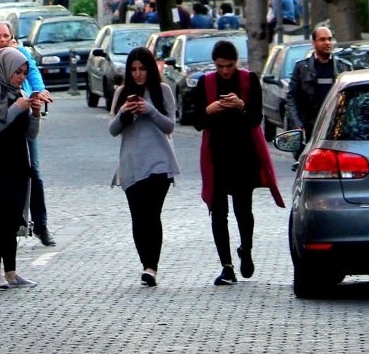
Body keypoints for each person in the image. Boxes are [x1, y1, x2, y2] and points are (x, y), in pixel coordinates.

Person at [189, 40, 283, 285]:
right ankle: (226, 265)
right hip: (216, 156)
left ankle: (246, 250)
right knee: (218, 213)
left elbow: (255, 119)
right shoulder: (205, 83)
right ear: (214, 64)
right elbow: (197, 120)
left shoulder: (249, 80)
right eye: (220, 66)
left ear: (236, 62)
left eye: (229, 66)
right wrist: (210, 109)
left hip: (244, 155)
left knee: (244, 210)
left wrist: (241, 105)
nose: (225, 71)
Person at [107, 46, 178, 287]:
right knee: (138, 217)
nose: (138, 74)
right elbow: (113, 129)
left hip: (159, 163)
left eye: (142, 69)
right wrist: (126, 113)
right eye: (133, 70)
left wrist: (149, 110)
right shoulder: (122, 93)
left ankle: (151, 268)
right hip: (131, 164)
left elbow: (169, 125)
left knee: (152, 214)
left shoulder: (163, 91)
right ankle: (145, 263)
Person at [0, 23, 54, 246]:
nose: (2, 39)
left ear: (12, 37)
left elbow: (33, 73)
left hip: (25, 113)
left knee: (34, 171)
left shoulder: (22, 55)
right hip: (7, 119)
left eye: (6, 36)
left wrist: (37, 95)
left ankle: (40, 224)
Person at [0, 47, 42, 291]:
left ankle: (11, 272)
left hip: (17, 164)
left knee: (14, 218)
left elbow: (30, 135)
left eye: (24, 73)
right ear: (4, 70)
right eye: (17, 72)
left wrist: (34, 112)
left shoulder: (20, 94)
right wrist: (17, 108)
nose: (21, 77)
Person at [286, 25, 340, 130]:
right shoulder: (301, 68)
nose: (327, 43)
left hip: (336, 124)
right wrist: (298, 124)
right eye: (323, 39)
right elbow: (292, 97)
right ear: (314, 43)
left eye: (329, 39)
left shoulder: (342, 67)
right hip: (310, 125)